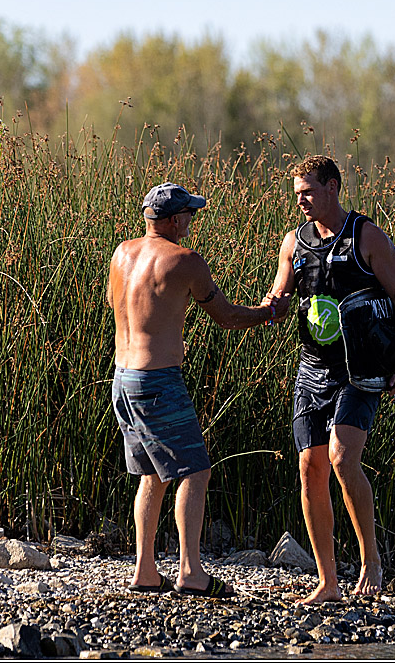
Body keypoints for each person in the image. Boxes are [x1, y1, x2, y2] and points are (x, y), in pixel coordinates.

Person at [108, 182, 288, 598]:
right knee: (195, 470)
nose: (191, 219)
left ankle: (145, 571)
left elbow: (120, 306)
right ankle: (190, 571)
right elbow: (225, 317)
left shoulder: (122, 253)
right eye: (188, 213)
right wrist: (268, 312)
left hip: (123, 377)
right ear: (173, 220)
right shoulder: (186, 260)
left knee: (151, 474)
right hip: (157, 382)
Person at [265, 155, 395, 604]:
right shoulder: (294, 241)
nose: (301, 200)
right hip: (312, 368)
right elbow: (280, 292)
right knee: (309, 468)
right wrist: (262, 310)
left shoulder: (366, 235)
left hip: (361, 370)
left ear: (332, 187)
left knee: (342, 458)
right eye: (296, 194)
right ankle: (327, 581)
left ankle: (371, 561)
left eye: (307, 191)